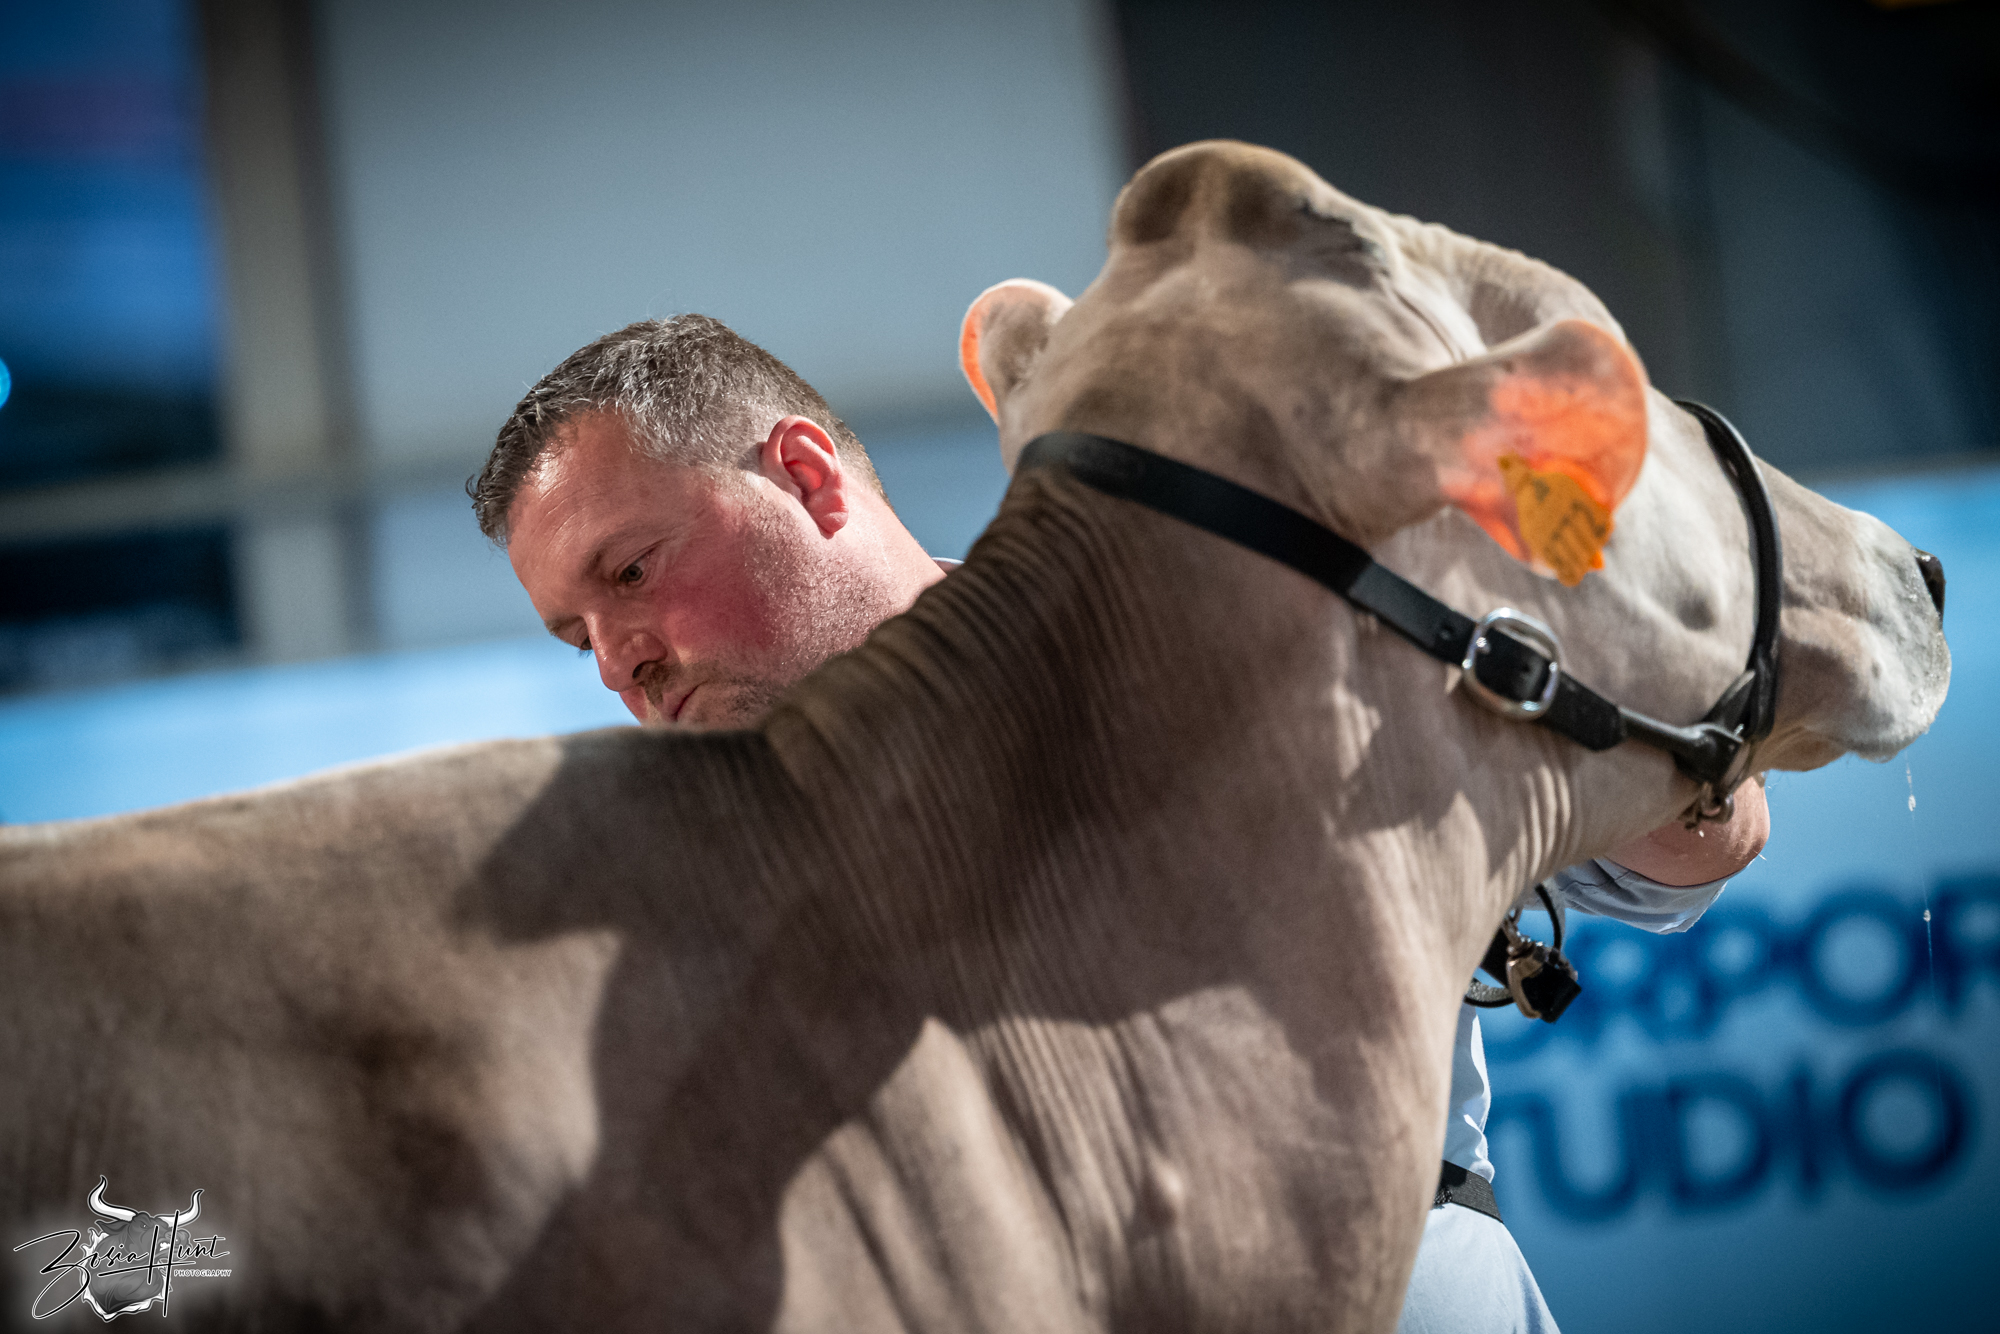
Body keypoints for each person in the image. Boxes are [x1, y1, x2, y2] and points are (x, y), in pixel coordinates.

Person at [471, 314, 1769, 1333]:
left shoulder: (1211, 624)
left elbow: (1685, 852)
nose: (618, 661)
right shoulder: (686, 911)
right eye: (576, 635)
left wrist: (1559, 657)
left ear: (805, 477)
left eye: (629, 572)